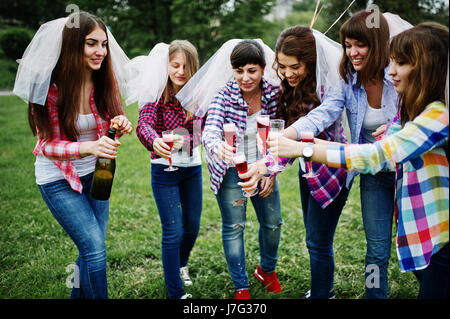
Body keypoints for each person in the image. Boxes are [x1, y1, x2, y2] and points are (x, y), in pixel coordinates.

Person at [265, 23, 449, 299]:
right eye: (347, 45)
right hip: (426, 230)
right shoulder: (407, 111)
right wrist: (290, 143)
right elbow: (330, 117)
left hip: (441, 237)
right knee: (378, 250)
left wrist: (302, 149)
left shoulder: (438, 116)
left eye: (400, 63)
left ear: (425, 68)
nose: (392, 71)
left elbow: (377, 154)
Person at [241, 10, 407, 299]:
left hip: (411, 168)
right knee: (377, 249)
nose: (352, 52)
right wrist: (282, 139)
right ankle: (374, 295)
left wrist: (397, 127)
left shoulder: (398, 75)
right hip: (374, 173)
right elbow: (319, 115)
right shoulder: (348, 82)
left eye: (360, 44)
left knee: (421, 250)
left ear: (378, 43)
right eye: (347, 45)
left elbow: (420, 113)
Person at [14, 12, 133, 298]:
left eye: (103, 44)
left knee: (91, 247)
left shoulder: (105, 80)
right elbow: (45, 145)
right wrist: (87, 147)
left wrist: (120, 123)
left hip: (100, 173)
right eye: (91, 44)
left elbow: (113, 118)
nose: (100, 52)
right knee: (94, 249)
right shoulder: (50, 88)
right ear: (72, 45)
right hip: (57, 179)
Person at [266, 25, 352, 299]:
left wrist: (275, 156)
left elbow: (318, 124)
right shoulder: (296, 87)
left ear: (310, 63)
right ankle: (322, 289)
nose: (287, 73)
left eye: (295, 67)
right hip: (308, 170)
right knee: (314, 238)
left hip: (332, 172)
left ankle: (321, 294)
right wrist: (273, 164)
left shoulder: (330, 88)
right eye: (282, 66)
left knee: (318, 240)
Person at [193, 39, 283, 299]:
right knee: (235, 226)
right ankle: (241, 286)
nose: (245, 77)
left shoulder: (273, 95)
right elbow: (210, 129)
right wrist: (215, 145)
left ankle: (267, 270)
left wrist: (271, 171)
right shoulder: (224, 94)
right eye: (239, 70)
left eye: (252, 70)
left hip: (264, 166)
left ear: (263, 69)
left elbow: (279, 132)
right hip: (232, 169)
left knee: (273, 222)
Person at [134, 40, 204, 299]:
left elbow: (202, 131)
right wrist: (155, 141)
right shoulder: (156, 93)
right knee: (172, 230)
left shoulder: (197, 95)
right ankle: (175, 292)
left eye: (186, 66)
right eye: (175, 65)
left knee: (192, 226)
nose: (180, 71)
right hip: (164, 171)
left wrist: (185, 139)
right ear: (167, 66)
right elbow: (144, 124)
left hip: (191, 168)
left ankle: (180, 264)